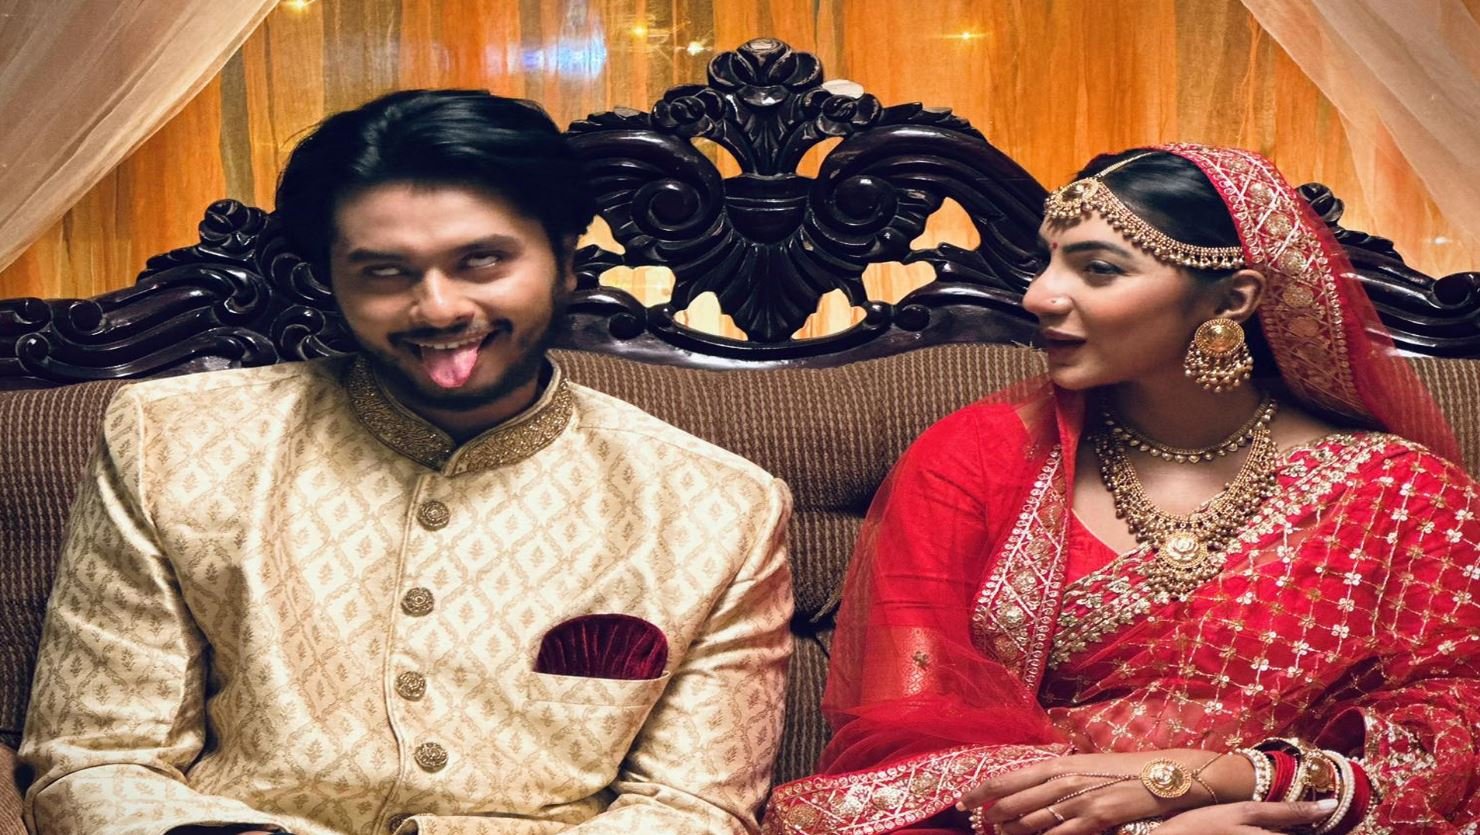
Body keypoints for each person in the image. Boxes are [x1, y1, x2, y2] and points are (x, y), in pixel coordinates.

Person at [20, 89, 793, 834]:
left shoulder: (717, 507)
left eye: (482, 260)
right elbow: (97, 757)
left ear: (565, 261)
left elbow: (692, 805)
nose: (439, 307)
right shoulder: (172, 441)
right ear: (330, 280)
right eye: (385, 272)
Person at [763, 144, 1480, 834]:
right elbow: (909, 735)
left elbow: (1452, 735)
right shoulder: (975, 459)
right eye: (1047, 261)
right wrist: (1139, 824)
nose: (1039, 295)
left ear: (1233, 298)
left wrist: (1224, 780)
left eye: (1098, 269)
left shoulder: (1402, 494)